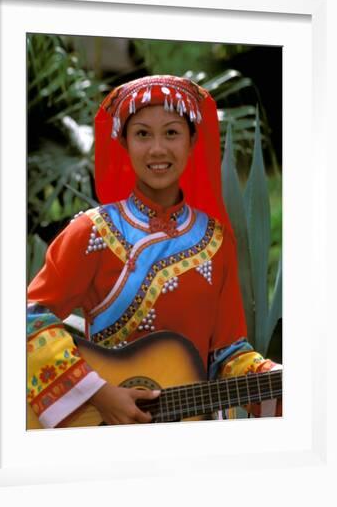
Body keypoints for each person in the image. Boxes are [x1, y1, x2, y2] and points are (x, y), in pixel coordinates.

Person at [26, 74, 282, 429]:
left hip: (194, 427)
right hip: (106, 430)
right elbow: (26, 319)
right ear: (125, 143)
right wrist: (97, 393)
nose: (158, 149)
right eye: (143, 134)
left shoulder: (215, 239)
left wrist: (280, 380)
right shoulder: (91, 232)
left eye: (172, 133)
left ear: (193, 141)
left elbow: (227, 354)